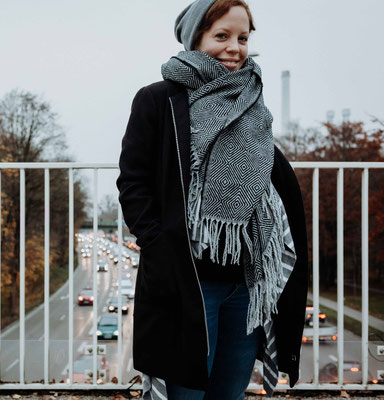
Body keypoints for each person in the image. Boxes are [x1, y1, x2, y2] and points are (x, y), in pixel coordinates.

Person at [116, 0, 308, 399]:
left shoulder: (254, 102)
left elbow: (267, 179)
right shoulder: (158, 100)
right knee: (184, 392)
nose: (234, 48)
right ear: (195, 38)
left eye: (242, 37)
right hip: (187, 280)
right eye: (221, 36)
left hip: (246, 280)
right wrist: (159, 242)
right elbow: (134, 182)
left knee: (230, 392)